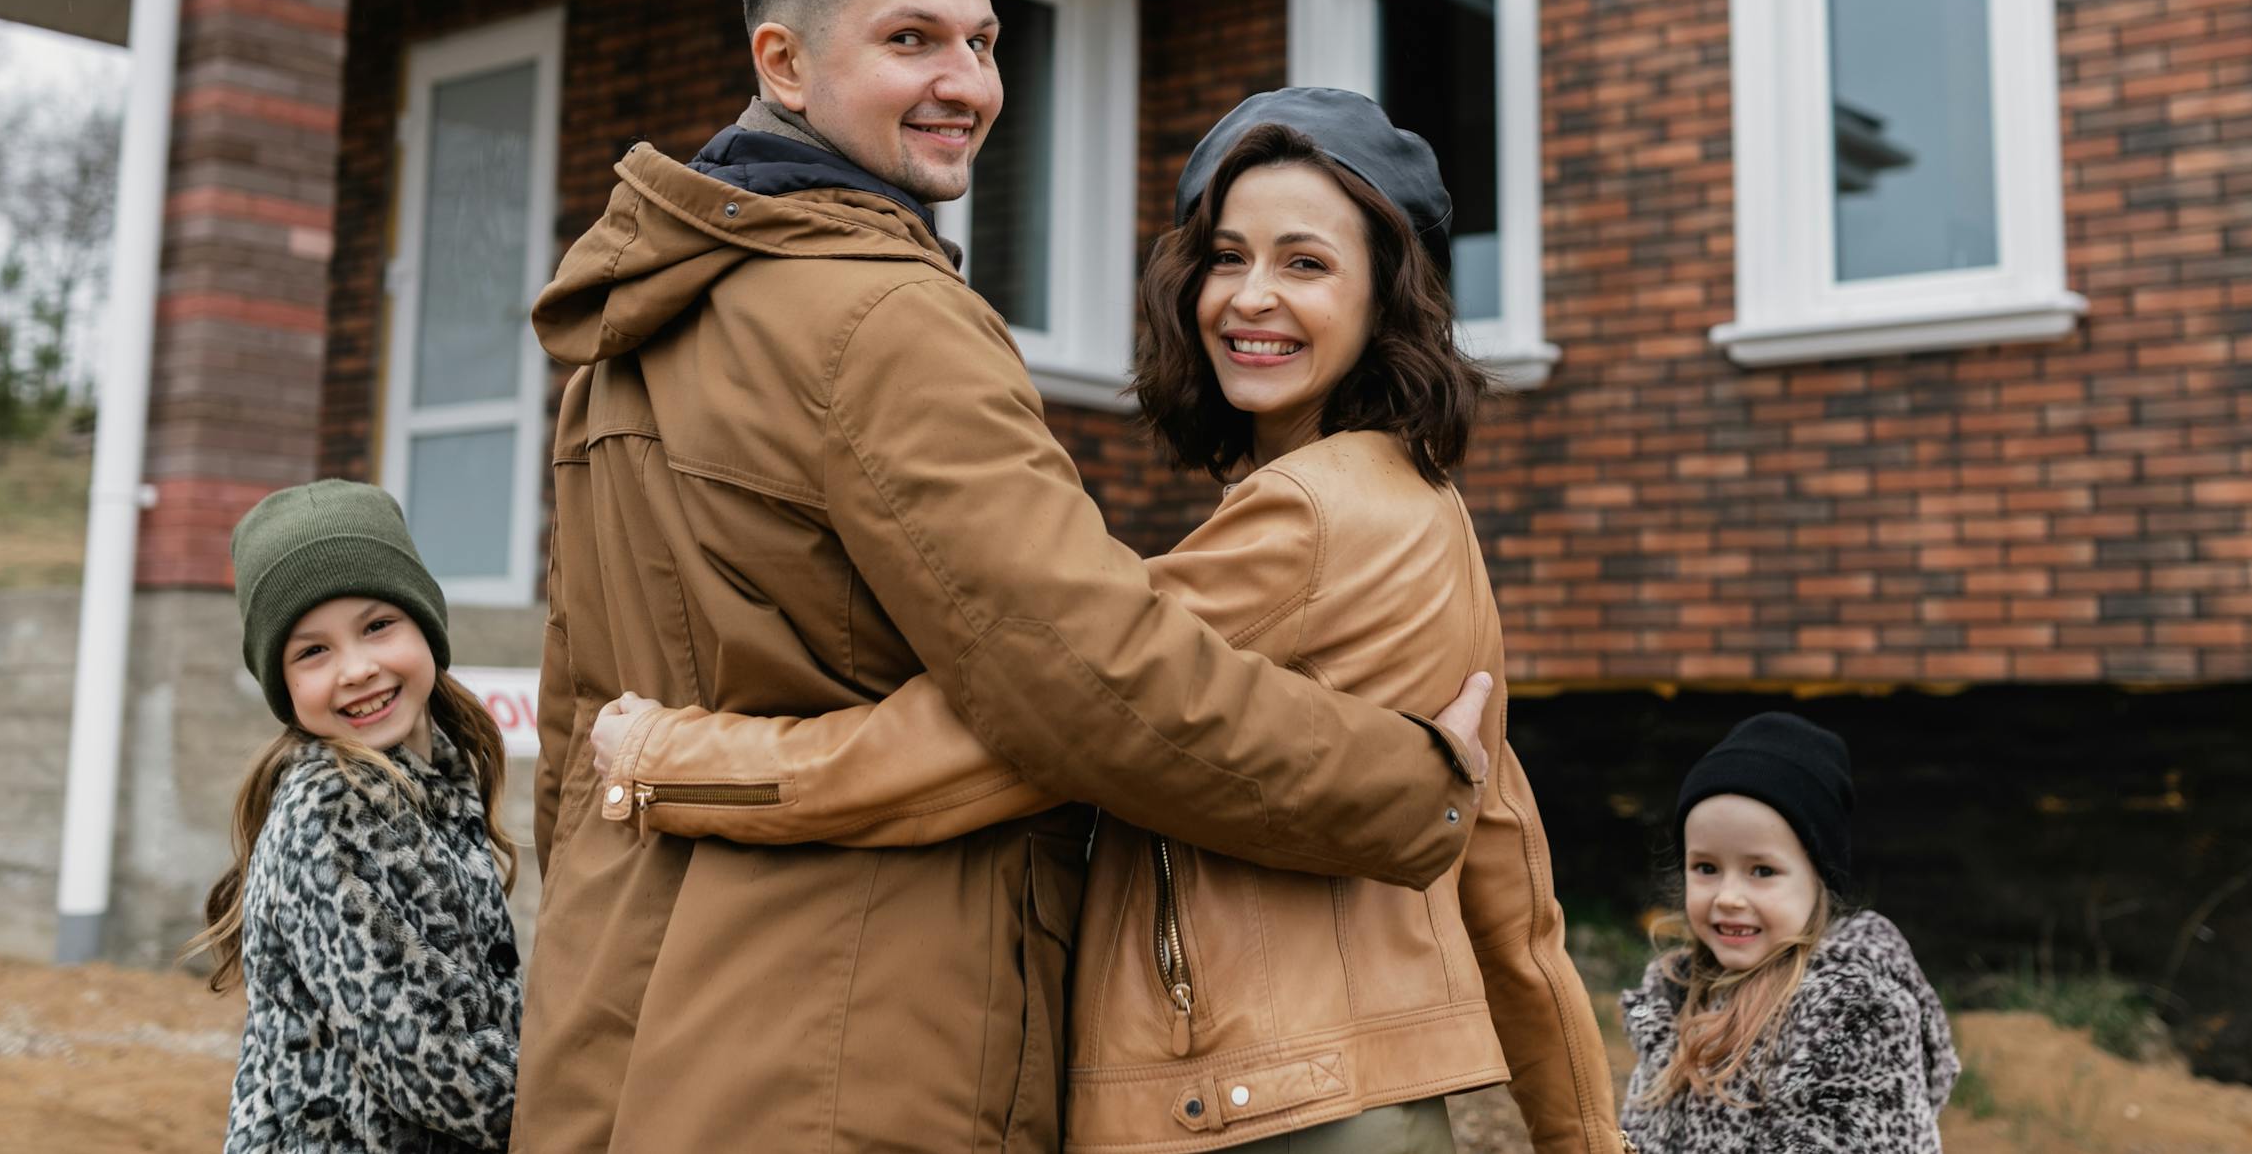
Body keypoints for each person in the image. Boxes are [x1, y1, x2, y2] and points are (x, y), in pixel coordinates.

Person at [515, 0, 1494, 1152]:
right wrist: (1404, 780)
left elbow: (587, 733)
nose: (967, 84)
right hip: (859, 1030)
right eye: (910, 41)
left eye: (981, 42)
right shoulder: (888, 316)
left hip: (634, 1011)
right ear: (784, 63)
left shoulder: (631, 335)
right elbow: (1084, 680)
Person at [585, 90, 1625, 1154]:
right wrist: (1581, 1136)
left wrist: (679, 760)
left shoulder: (1311, 513)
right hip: (1355, 1107)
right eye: (1227, 258)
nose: (1250, 298)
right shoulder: (1424, 507)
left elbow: (1013, 734)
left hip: (1262, 1113)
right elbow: (1510, 875)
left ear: (1386, 301)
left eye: (1305, 265)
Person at [195, 479, 521, 1154]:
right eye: (313, 650)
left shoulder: (439, 780)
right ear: (282, 683)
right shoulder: (334, 810)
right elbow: (433, 1068)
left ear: (425, 621)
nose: (357, 668)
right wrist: (593, 1102)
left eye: (377, 625)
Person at [1615, 714, 1959, 1153]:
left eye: (1762, 870)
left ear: (1818, 879)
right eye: (1706, 868)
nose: (1728, 897)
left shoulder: (1855, 1015)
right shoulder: (1676, 999)